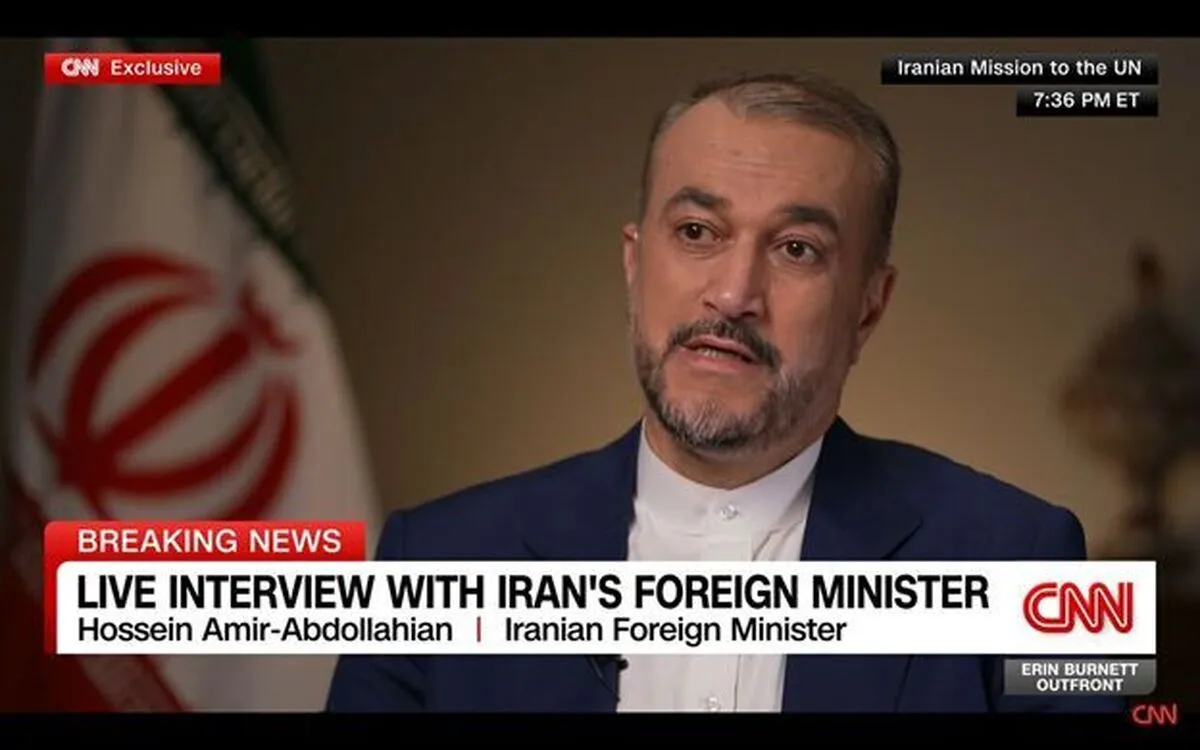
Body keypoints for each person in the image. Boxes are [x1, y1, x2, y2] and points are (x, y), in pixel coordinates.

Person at [326, 71, 1124, 713]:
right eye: (697, 233)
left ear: (868, 307)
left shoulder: (1032, 556)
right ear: (634, 264)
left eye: (797, 248)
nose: (735, 294)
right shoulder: (431, 560)